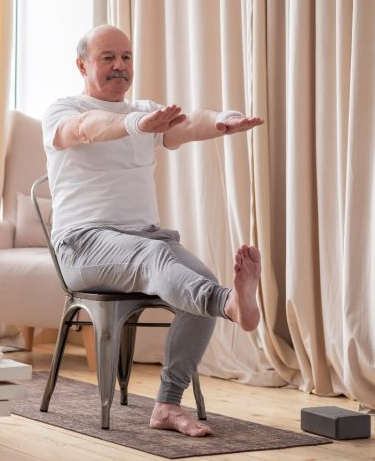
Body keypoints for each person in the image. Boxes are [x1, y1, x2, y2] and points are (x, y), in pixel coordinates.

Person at [42, 25, 264, 437]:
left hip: (143, 238)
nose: (119, 65)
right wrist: (137, 124)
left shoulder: (144, 109)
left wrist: (220, 120)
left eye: (126, 57)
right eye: (107, 57)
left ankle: (166, 405)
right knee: (161, 263)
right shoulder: (64, 109)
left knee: (197, 282)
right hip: (82, 245)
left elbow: (186, 123)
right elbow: (87, 128)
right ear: (82, 64)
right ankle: (228, 303)